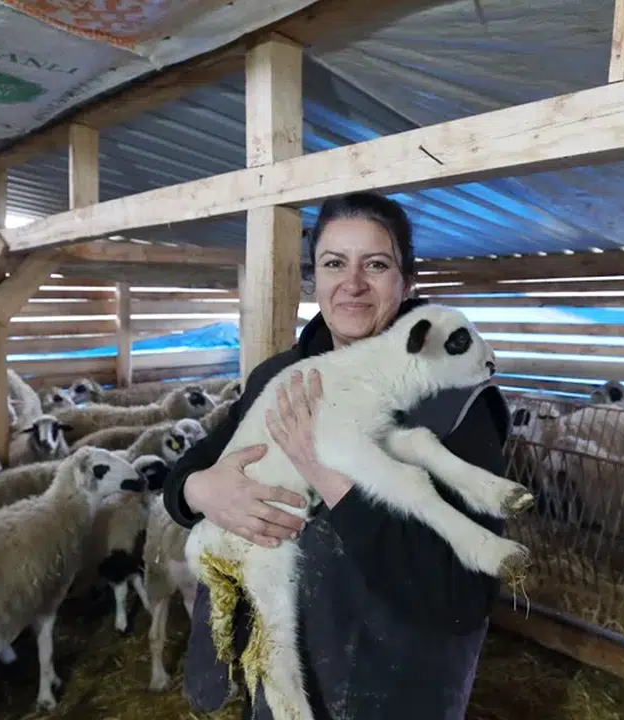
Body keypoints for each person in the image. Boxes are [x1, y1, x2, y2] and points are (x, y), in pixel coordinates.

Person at [164, 191, 512, 719]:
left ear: (407, 282)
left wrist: (333, 478)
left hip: (389, 693)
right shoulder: (283, 376)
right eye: (334, 264)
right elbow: (190, 469)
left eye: (376, 265)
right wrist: (201, 489)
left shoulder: (454, 406)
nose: (352, 284)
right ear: (315, 280)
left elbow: (462, 599)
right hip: (283, 688)